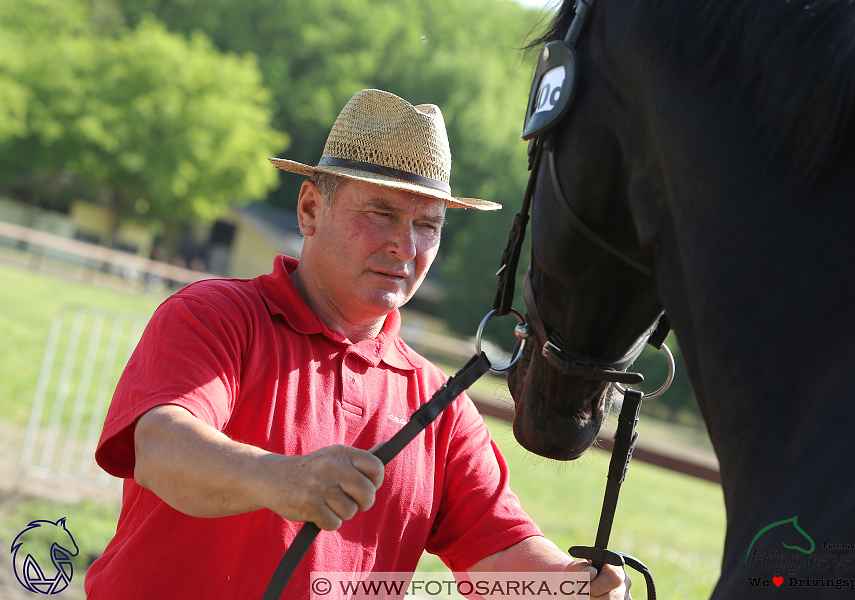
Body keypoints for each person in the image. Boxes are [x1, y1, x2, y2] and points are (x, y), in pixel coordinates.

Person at [85, 89, 631, 599]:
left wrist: (573, 585)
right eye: (380, 213)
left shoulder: (439, 403)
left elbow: (498, 552)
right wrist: (279, 478)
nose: (405, 246)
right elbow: (160, 449)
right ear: (309, 209)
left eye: (428, 224)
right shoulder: (216, 316)